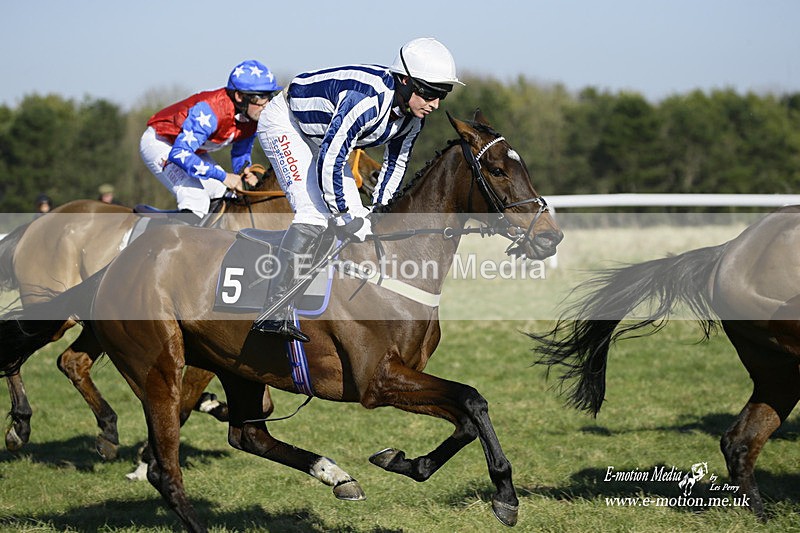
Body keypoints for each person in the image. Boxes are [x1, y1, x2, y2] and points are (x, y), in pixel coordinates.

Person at [252, 37, 463, 341]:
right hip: (287, 122)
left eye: (443, 95)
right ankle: (273, 310)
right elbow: (331, 159)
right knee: (315, 212)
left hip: (323, 136)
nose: (435, 104)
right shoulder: (366, 101)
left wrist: (379, 213)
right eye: (429, 93)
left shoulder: (412, 120)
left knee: (362, 220)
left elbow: (395, 166)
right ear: (404, 81)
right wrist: (341, 215)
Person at [139, 59, 282, 220]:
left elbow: (241, 152)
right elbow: (179, 154)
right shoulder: (209, 111)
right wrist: (224, 176)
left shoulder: (251, 118)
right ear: (240, 96)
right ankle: (153, 237)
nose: (267, 104)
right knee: (196, 199)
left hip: (193, 150)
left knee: (228, 196)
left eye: (270, 96)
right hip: (162, 143)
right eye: (260, 97)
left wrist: (244, 172)